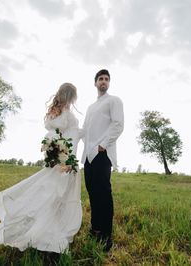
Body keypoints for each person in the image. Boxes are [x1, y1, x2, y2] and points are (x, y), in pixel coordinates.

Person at [0, 83, 82, 254]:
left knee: (55, 194)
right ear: (70, 96)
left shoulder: (57, 113)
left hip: (64, 158)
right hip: (64, 160)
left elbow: (61, 136)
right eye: (70, 96)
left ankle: (50, 227)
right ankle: (46, 231)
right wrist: (66, 159)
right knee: (54, 194)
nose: (70, 100)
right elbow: (64, 137)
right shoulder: (64, 114)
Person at [81, 69, 124, 252]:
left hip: (103, 154)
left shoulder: (114, 101)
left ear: (109, 83)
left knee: (104, 195)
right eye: (100, 79)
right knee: (92, 193)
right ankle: (95, 229)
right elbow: (84, 130)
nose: (103, 81)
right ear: (95, 83)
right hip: (88, 157)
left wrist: (102, 146)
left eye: (106, 79)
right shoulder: (91, 107)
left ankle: (106, 236)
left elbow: (118, 125)